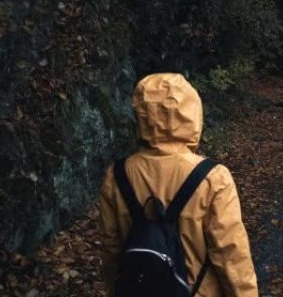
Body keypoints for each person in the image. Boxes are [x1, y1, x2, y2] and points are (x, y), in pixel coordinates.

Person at [98, 73, 258, 297]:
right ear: (192, 114)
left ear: (141, 116)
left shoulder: (116, 176)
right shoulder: (213, 178)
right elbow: (231, 256)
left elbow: (111, 250)